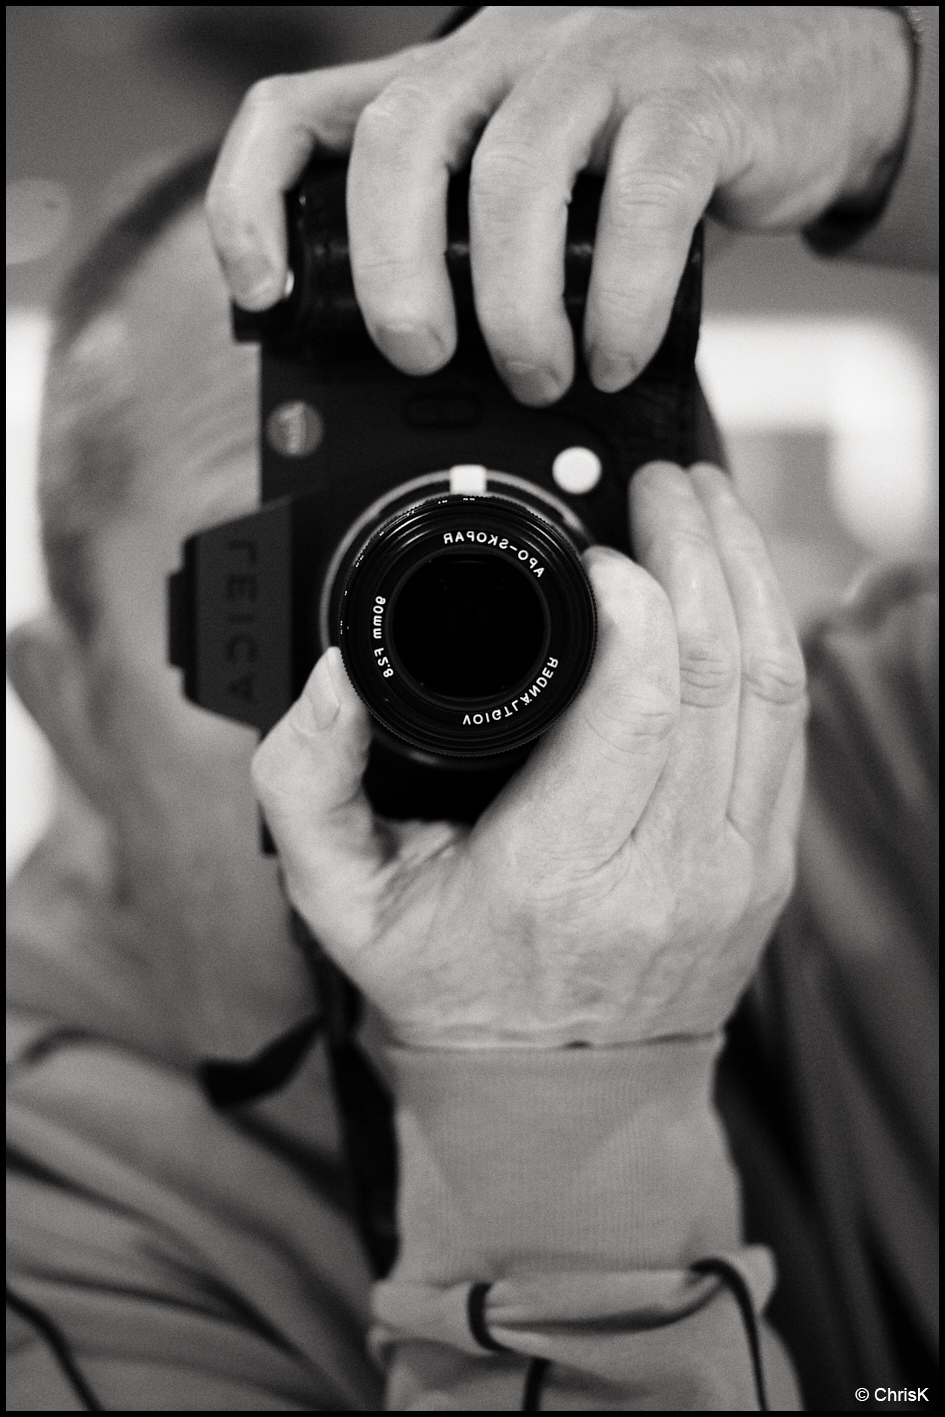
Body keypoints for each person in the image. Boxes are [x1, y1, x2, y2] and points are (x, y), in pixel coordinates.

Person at [6, 6, 937, 1411]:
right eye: (308, 587)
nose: (467, 653)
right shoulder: (49, 1216)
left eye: (550, 554)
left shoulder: (893, 761)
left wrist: (886, 90)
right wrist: (555, 1101)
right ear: (73, 717)